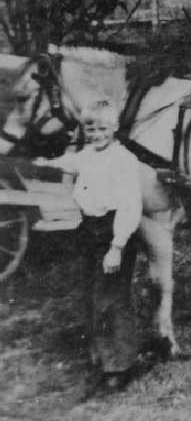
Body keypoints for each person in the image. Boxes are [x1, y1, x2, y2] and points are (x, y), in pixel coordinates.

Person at [39, 98, 143, 391]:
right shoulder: (87, 155)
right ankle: (102, 357)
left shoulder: (124, 160)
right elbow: (67, 163)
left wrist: (117, 247)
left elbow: (130, 206)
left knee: (111, 297)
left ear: (114, 128)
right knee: (90, 294)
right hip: (90, 230)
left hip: (114, 232)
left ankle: (120, 365)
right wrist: (44, 164)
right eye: (90, 129)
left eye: (102, 129)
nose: (96, 135)